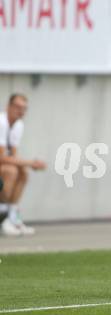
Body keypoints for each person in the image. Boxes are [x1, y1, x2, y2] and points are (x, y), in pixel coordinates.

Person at [0, 94, 46, 236]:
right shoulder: (1, 122)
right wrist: (31, 163)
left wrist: (27, 165)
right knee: (10, 171)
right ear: (8, 106)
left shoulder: (18, 125)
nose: (21, 111)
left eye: (24, 108)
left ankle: (13, 217)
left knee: (22, 172)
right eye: (17, 107)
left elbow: (13, 155)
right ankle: (3, 217)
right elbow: (2, 158)